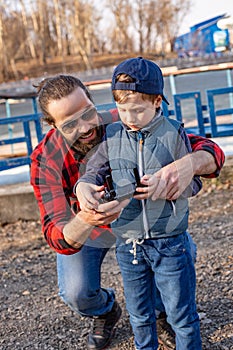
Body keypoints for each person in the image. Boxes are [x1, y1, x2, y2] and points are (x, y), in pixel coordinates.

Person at [30, 73, 225, 350]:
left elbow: (211, 150)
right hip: (91, 230)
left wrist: (190, 164)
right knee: (76, 292)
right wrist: (87, 217)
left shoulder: (126, 115)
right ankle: (105, 310)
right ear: (52, 125)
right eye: (70, 123)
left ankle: (159, 313)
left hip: (142, 224)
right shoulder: (46, 158)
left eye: (88, 113)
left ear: (92, 100)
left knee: (180, 251)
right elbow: (57, 237)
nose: (86, 127)